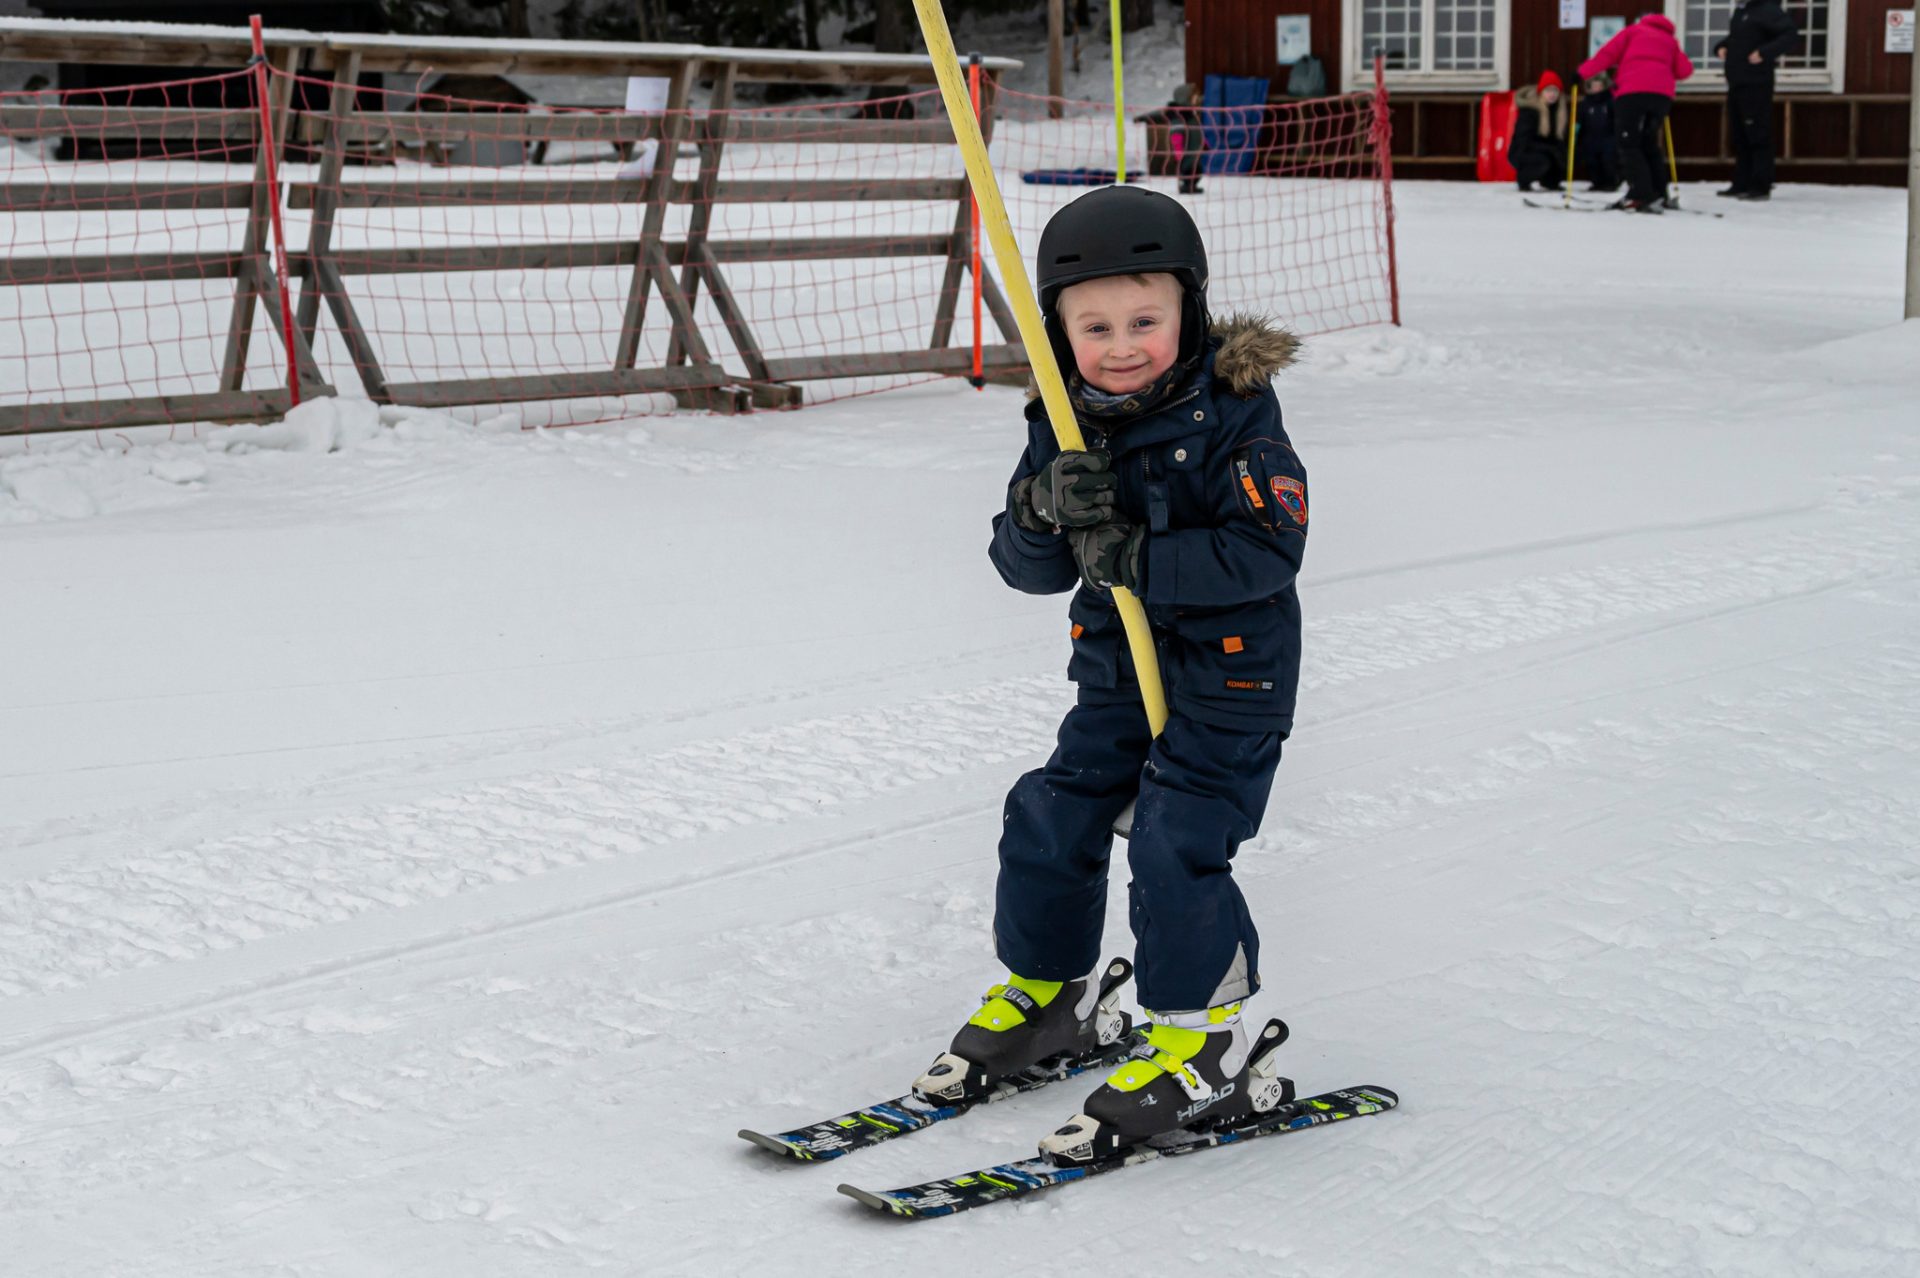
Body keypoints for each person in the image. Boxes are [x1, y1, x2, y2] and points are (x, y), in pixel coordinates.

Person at [923, 185, 1307, 1158]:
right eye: (1095, 325)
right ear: (1060, 325)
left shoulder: (1235, 410)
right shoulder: (1060, 415)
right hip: (1114, 676)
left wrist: (1142, 558)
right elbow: (1025, 570)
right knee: (1052, 809)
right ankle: (1050, 1000)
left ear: (1191, 310)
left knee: (1177, 832)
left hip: (1229, 678)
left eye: (1147, 319)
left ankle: (1203, 1051)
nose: (1124, 343)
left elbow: (1270, 552)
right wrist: (1045, 509)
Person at [1579, 12, 1694, 213]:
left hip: (1632, 93)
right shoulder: (1670, 41)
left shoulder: (1633, 31)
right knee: (1648, 143)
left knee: (1628, 143)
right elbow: (1684, 71)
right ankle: (1659, 192)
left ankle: (1641, 194)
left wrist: (1581, 73)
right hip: (1661, 98)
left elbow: (1607, 55)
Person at [1714, 0, 1800, 200]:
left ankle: (1760, 185)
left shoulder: (1768, 10)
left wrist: (1764, 53)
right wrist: (1722, 46)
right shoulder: (1742, 11)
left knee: (1757, 134)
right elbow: (1739, 39)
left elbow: (1790, 35)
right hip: (1736, 81)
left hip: (1756, 82)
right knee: (1740, 135)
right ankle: (1741, 183)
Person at [1510, 70, 1572, 192]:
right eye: (1548, 90)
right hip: (1524, 151)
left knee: (1563, 156)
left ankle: (1551, 182)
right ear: (1541, 92)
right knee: (1543, 161)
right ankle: (1524, 181)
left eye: (1555, 90)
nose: (1552, 94)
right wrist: (1550, 149)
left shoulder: (1560, 111)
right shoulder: (1530, 111)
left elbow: (1561, 137)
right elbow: (1524, 141)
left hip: (1547, 149)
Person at [1575, 72, 1622, 192]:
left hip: (1608, 137)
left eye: (1600, 85)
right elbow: (1579, 121)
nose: (1597, 88)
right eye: (1594, 85)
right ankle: (1596, 182)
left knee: (1608, 160)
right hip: (1590, 138)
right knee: (1592, 161)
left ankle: (1611, 182)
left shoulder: (1611, 101)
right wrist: (1576, 132)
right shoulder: (1585, 103)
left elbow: (1617, 119)